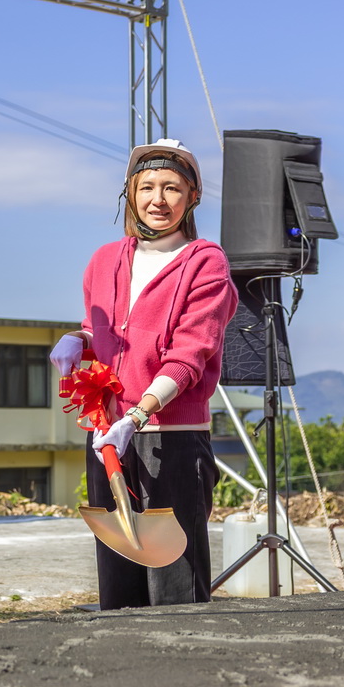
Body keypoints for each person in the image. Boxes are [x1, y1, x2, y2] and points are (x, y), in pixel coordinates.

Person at [50, 138, 238, 609]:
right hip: (108, 435)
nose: (159, 199)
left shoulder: (205, 262)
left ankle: (182, 675)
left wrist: (136, 416)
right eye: (147, 186)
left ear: (193, 196)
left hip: (168, 436)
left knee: (175, 578)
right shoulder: (104, 260)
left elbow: (190, 355)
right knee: (118, 576)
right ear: (129, 194)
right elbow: (106, 331)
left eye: (172, 188)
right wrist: (81, 339)